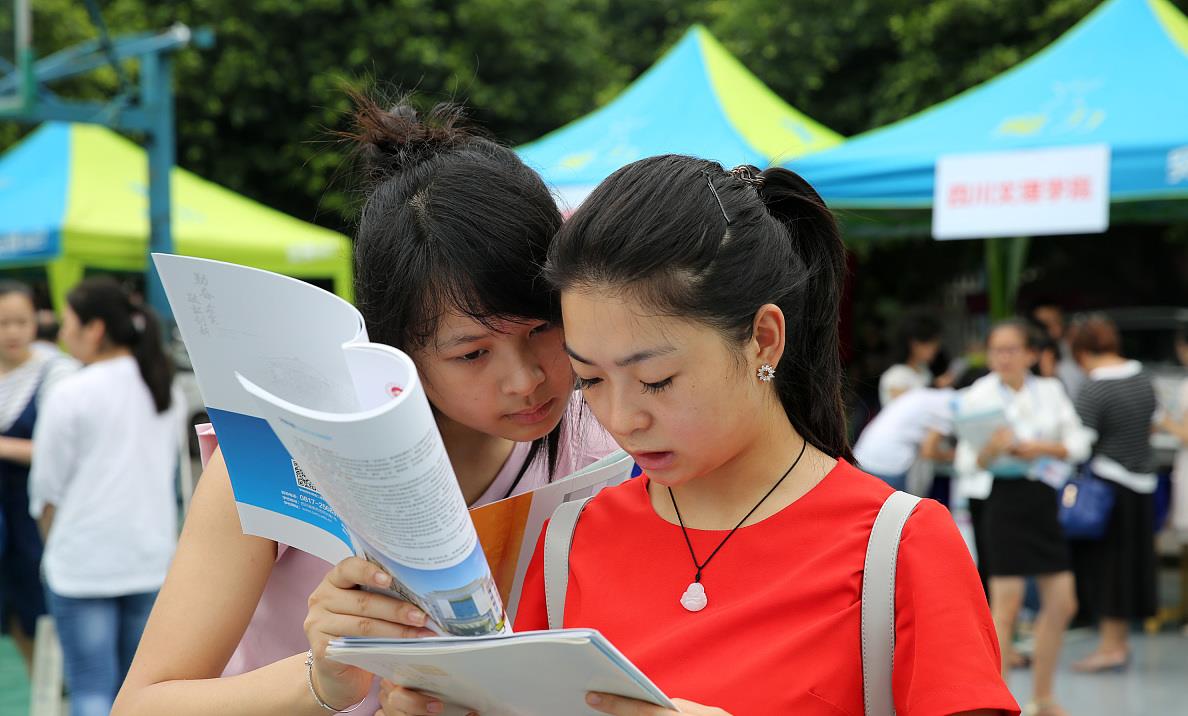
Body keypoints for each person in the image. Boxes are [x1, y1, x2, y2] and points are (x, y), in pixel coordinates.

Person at [379, 157, 1018, 715]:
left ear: (763, 338)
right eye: (589, 381)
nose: (623, 419)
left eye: (655, 380)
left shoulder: (901, 545)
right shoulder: (569, 540)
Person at [112, 96, 617, 715]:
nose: (526, 380)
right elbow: (142, 705)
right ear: (398, 348)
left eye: (542, 327)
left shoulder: (607, 444)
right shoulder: (282, 451)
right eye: (472, 354)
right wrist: (324, 677)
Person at [28, 277, 183, 716]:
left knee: (92, 689)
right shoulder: (163, 388)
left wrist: (51, 543)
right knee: (143, 694)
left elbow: (46, 489)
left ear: (94, 328)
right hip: (149, 559)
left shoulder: (71, 392)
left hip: (83, 562)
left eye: (68, 321)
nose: (61, 332)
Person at [953, 319, 1091, 716]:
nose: (1004, 357)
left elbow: (1078, 441)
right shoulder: (977, 395)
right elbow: (967, 462)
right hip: (1002, 501)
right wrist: (992, 451)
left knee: (1063, 601)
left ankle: (1043, 696)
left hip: (1042, 498)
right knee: (1006, 606)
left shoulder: (1049, 390)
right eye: (997, 349)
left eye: (1012, 349)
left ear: (1031, 353)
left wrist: (1042, 448)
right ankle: (998, 702)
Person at [1066, 314, 1159, 672]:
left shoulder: (1095, 387)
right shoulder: (1142, 376)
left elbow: (1079, 444)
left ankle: (1110, 646)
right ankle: (1118, 643)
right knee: (1134, 563)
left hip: (1108, 488)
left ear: (1081, 350)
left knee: (1108, 566)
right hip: (1143, 484)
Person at [0, 280, 76, 670]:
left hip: (34, 515)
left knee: (40, 609)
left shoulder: (56, 372)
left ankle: (47, 691)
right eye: (3, 322)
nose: (12, 331)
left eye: (20, 321)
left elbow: (58, 451)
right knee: (12, 614)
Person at [853, 387, 956, 491]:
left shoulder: (923, 395)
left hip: (862, 457)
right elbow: (928, 451)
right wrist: (956, 456)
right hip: (888, 467)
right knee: (895, 506)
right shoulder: (947, 408)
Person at [878, 313, 942, 407]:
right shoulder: (896, 375)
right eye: (931, 344)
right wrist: (935, 386)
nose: (935, 349)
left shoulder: (924, 371)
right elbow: (905, 407)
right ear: (915, 345)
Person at [1029, 301, 1086, 400]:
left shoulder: (1071, 346)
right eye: (1045, 325)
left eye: (1056, 321)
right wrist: (1048, 376)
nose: (1054, 328)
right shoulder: (1032, 354)